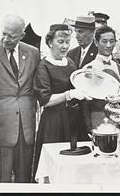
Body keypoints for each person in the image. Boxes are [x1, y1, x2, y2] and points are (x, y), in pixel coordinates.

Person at [0, 15, 40, 183]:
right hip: (1, 124)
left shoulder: (33, 53)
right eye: (3, 33)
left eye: (12, 36)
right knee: (3, 176)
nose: (6, 39)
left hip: (26, 125)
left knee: (24, 176)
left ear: (22, 35)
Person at [33, 24, 91, 182]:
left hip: (73, 121)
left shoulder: (71, 63)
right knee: (54, 165)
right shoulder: (43, 66)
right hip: (54, 122)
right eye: (60, 41)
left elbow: (79, 86)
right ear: (50, 42)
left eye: (67, 42)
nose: (65, 46)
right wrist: (69, 94)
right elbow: (45, 100)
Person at [83, 25, 120, 131]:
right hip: (97, 117)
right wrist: (88, 127)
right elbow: (84, 105)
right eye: (104, 41)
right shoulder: (88, 69)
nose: (108, 45)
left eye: (112, 41)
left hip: (118, 118)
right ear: (96, 42)